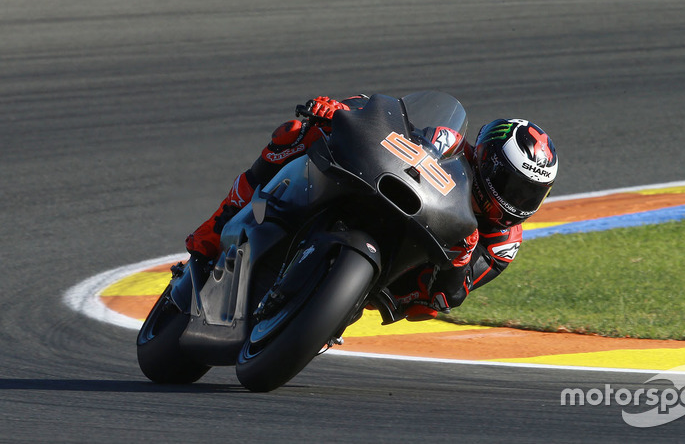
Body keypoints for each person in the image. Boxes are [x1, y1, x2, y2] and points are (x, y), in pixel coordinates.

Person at [185, 95, 558, 321]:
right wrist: (341, 111)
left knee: (426, 306)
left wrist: (459, 260)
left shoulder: (502, 243)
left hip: (403, 275)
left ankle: (328, 310)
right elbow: (385, 123)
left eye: (531, 194)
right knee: (296, 130)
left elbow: (449, 296)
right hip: (387, 193)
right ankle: (217, 224)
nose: (519, 201)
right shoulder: (451, 143)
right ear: (489, 160)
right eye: (514, 186)